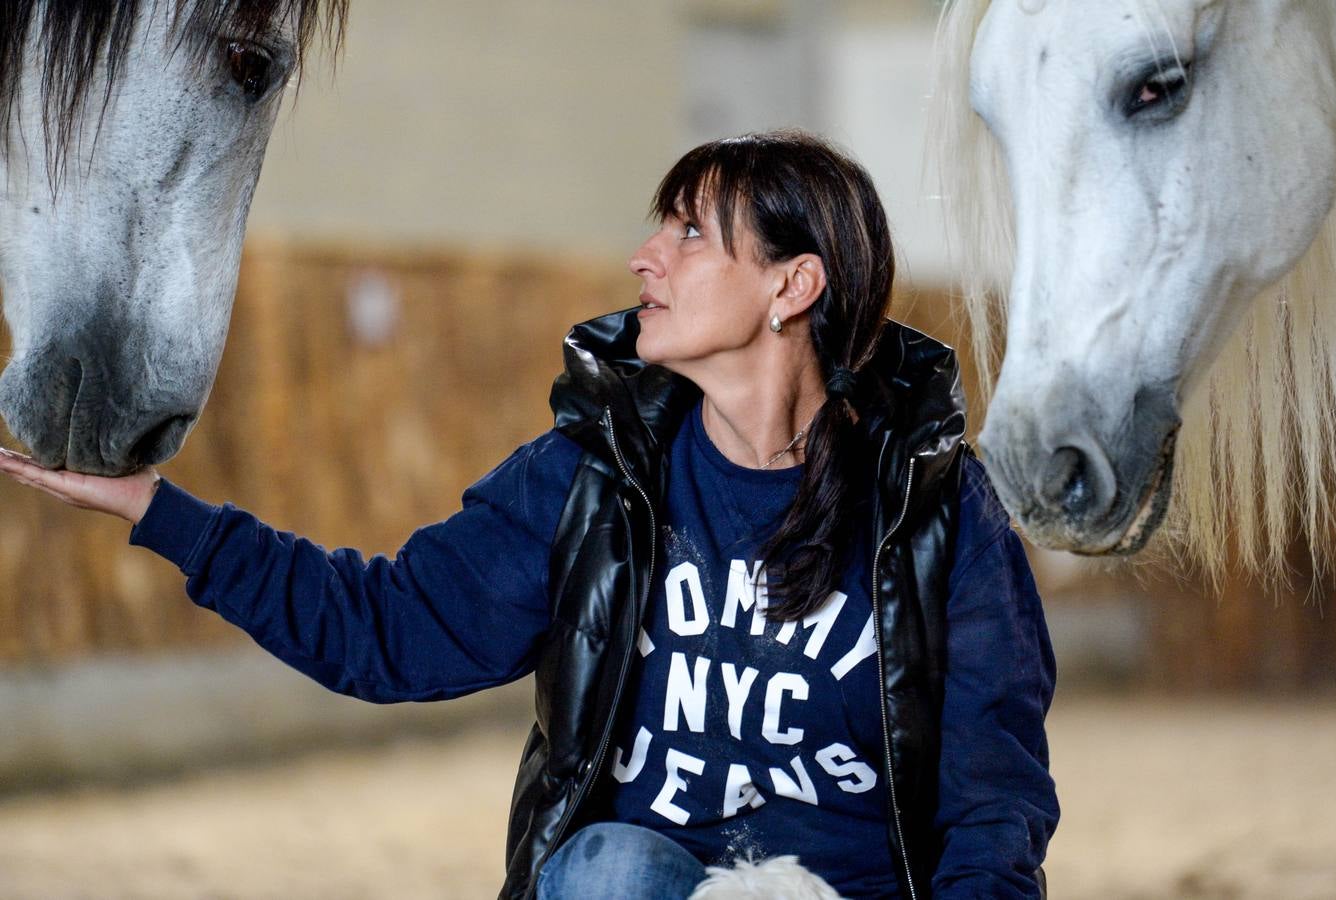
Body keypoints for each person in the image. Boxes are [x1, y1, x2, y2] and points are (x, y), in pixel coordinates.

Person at [0, 130, 1058, 900]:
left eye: (690, 233)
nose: (646, 257)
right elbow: (390, 634)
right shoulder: (590, 476)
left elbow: (989, 801)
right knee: (607, 863)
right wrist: (161, 512)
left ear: (792, 286)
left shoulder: (935, 512)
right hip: (639, 885)